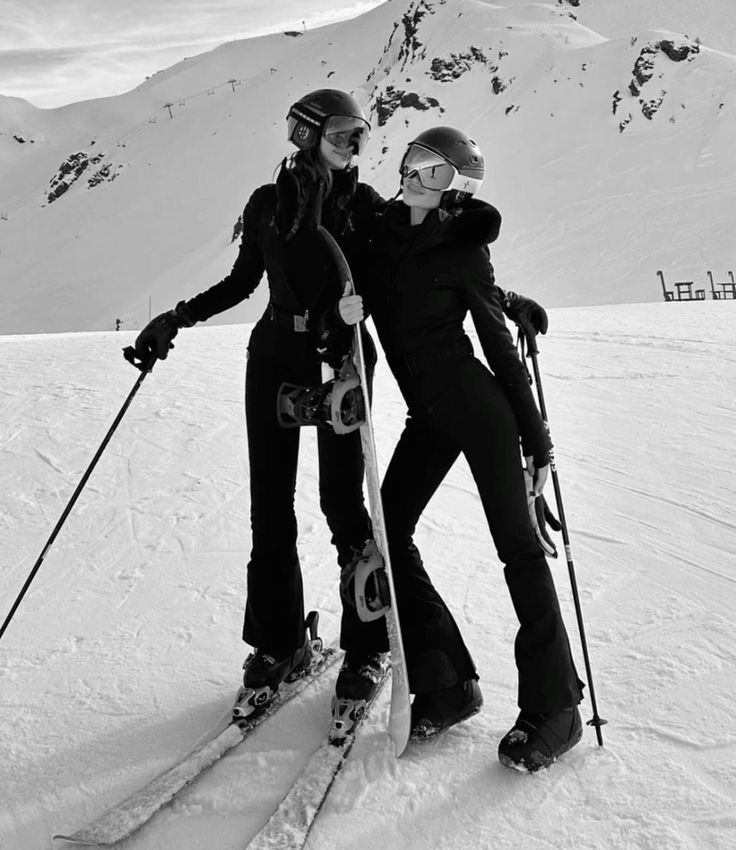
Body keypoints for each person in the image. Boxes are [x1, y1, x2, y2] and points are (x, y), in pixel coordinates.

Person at [132, 88, 389, 715]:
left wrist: (493, 295)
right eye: (340, 135)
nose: (353, 147)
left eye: (360, 135)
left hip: (342, 363)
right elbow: (244, 281)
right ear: (305, 136)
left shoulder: (365, 206)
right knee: (268, 508)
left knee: (341, 502)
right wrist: (178, 317)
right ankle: (280, 644)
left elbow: (401, 272)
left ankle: (366, 647)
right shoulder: (269, 204)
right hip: (274, 360)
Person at [362, 126, 585, 772]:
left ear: (455, 188)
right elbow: (394, 284)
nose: (415, 175)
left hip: (478, 411)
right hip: (427, 415)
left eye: (434, 173)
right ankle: (447, 681)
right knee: (388, 527)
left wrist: (537, 439)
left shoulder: (462, 247)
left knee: (517, 548)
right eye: (413, 162)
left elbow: (497, 350)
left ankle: (556, 707)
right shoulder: (379, 232)